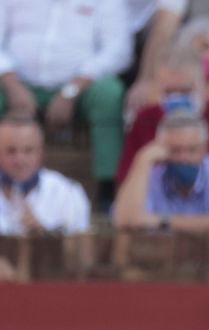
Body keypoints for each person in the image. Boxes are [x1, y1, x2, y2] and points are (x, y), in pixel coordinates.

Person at [0, 0, 132, 207]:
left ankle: (108, 191)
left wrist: (73, 89)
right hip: (15, 83)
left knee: (110, 93)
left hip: (82, 86)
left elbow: (118, 51)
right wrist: (11, 83)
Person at [116, 50, 209, 193]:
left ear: (202, 85)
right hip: (154, 213)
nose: (177, 97)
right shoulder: (145, 120)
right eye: (169, 92)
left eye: (185, 90)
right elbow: (124, 186)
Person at [112, 110, 209, 230]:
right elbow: (124, 221)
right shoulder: (154, 175)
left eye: (192, 150)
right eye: (175, 150)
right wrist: (143, 159)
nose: (184, 158)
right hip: (161, 251)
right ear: (161, 150)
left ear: (205, 148)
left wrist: (162, 221)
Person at [0, 116, 90, 235]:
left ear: (41, 153)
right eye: (11, 151)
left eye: (28, 150)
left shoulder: (68, 192)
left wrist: (43, 235)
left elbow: (77, 246)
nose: (20, 160)